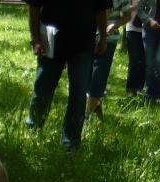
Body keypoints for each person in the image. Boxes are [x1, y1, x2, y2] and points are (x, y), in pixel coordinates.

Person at [25, 0, 111, 151]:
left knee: (78, 93)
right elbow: (34, 5)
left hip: (82, 44)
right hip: (50, 41)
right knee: (43, 87)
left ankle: (70, 143)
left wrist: (103, 37)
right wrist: (35, 39)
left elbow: (101, 8)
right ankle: (32, 129)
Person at [86, 0, 137, 120]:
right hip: (87, 37)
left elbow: (127, 15)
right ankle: (96, 103)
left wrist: (115, 25)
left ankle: (87, 115)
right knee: (85, 75)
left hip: (109, 39)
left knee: (99, 74)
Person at [126, 13, 148, 93]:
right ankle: (131, 88)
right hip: (132, 29)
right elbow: (125, 11)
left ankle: (140, 87)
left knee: (144, 61)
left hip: (148, 29)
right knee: (134, 59)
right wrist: (136, 7)